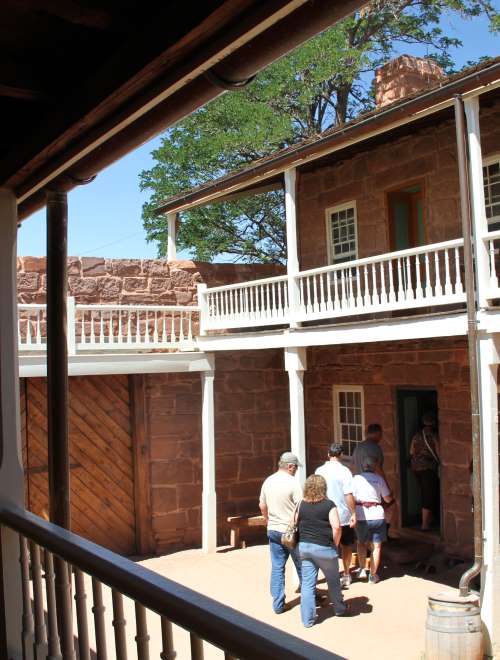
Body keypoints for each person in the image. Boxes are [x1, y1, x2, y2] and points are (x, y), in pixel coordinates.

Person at [296, 474, 347, 627]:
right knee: (333, 581)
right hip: (324, 547)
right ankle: (339, 608)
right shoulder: (328, 505)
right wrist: (335, 544)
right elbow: (337, 527)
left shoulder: (301, 504)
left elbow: (294, 522)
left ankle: (307, 619)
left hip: (305, 546)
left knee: (307, 584)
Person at [259, 451, 303, 614]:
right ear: (290, 467)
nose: (297, 470)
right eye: (296, 467)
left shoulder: (268, 481)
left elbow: (262, 505)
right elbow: (300, 508)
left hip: (274, 529)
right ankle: (308, 599)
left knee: (277, 567)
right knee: (301, 566)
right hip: (289, 531)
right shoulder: (293, 483)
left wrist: (268, 520)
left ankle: (278, 603)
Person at [315, 443, 356, 587]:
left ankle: (331, 575)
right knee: (346, 545)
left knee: (330, 546)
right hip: (342, 514)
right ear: (341, 455)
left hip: (325, 514)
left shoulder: (319, 470)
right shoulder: (345, 471)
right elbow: (348, 494)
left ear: (328, 454)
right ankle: (346, 573)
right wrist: (354, 513)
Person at [352, 456, 393, 584]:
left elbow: (351, 496)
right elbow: (387, 499)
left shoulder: (356, 479)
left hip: (361, 514)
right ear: (374, 467)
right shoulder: (379, 479)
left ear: (363, 467)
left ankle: (362, 569)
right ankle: (373, 575)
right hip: (377, 514)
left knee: (361, 543)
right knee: (377, 546)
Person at [409, 412, 440, 531]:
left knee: (424, 492)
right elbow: (438, 451)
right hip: (428, 468)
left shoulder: (417, 435)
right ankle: (424, 524)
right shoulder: (434, 436)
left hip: (416, 468)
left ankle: (429, 519)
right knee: (428, 495)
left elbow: (411, 451)